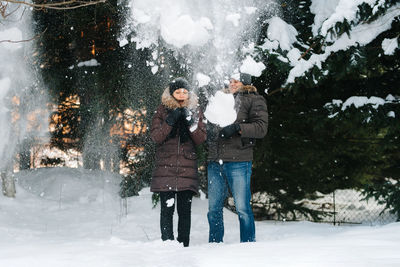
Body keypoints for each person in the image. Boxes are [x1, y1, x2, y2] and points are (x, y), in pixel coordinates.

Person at [207, 72, 268, 243]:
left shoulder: (254, 99)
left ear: (245, 82)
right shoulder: (219, 98)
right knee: (213, 208)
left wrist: (237, 128)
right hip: (215, 160)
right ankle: (214, 244)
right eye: (230, 80)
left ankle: (247, 245)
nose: (233, 84)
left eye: (237, 81)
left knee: (242, 207)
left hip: (239, 160)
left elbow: (261, 128)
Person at [150, 77, 206, 247]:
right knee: (167, 210)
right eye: (177, 91)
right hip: (165, 168)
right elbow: (156, 137)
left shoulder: (195, 110)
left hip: (186, 169)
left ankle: (184, 245)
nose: (181, 95)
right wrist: (170, 120)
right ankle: (167, 244)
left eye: (184, 91)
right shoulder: (162, 111)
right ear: (171, 93)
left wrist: (191, 123)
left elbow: (201, 138)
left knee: (184, 211)